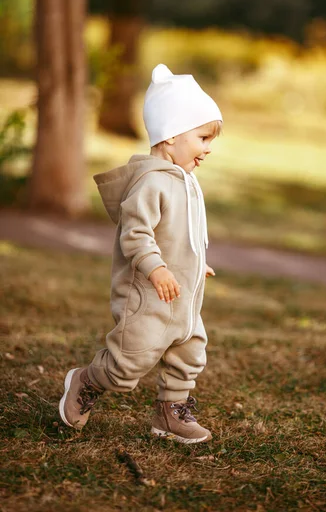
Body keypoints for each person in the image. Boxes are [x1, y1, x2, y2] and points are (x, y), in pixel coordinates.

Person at [59, 63, 223, 444]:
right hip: (148, 297)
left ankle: (171, 414)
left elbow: (181, 235)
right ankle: (85, 381)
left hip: (182, 297)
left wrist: (196, 263)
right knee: (125, 365)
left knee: (189, 353)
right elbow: (135, 234)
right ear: (170, 137)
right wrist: (157, 269)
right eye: (202, 137)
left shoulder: (186, 181)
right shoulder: (151, 183)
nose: (208, 148)